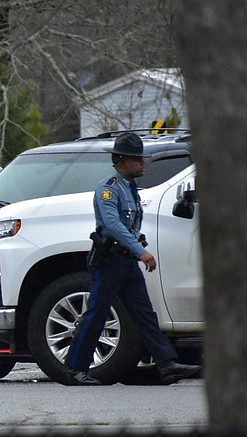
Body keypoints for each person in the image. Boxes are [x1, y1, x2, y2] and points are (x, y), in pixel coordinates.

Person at [62, 132, 202, 385]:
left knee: (145, 314)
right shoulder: (108, 190)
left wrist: (138, 244)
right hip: (110, 261)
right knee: (97, 314)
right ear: (122, 161)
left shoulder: (131, 189)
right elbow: (114, 226)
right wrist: (142, 252)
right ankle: (75, 369)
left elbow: (131, 226)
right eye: (138, 160)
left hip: (127, 261)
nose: (143, 164)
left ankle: (167, 365)